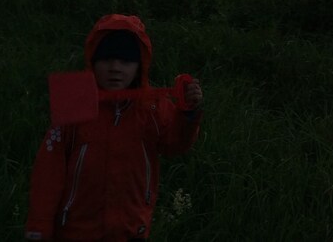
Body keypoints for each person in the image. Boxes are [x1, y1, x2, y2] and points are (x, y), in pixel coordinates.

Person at [24, 14, 203, 241]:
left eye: (126, 61)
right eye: (107, 59)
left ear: (140, 66)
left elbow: (176, 144)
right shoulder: (74, 103)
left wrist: (188, 114)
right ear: (93, 61)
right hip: (75, 232)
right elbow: (48, 174)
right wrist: (38, 229)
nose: (115, 68)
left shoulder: (153, 108)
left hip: (130, 231)